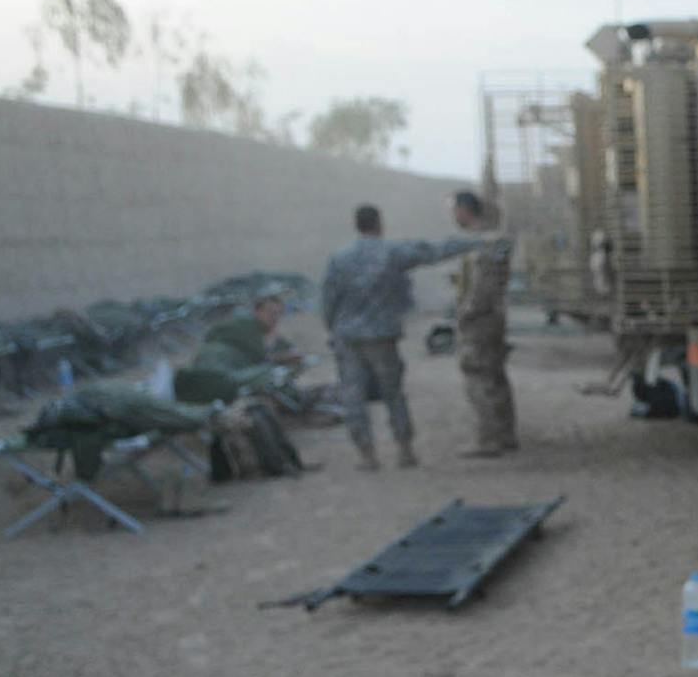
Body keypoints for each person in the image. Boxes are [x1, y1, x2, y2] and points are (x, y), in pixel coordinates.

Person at [320, 204, 484, 471]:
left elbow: (328, 299)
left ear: (356, 225)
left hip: (347, 335)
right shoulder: (392, 252)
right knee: (393, 393)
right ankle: (404, 450)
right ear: (379, 224)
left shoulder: (339, 258)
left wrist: (332, 328)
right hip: (382, 335)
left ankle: (367, 455)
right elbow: (432, 252)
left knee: (353, 394)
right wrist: (476, 242)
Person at [448, 190, 517, 457]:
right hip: (492, 317)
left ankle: (489, 439)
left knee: (477, 376)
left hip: (480, 320)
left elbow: (483, 288)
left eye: (455, 210)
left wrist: (467, 312)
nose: (453, 216)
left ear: (465, 210)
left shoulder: (483, 243)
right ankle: (505, 433)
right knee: (495, 376)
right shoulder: (492, 239)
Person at [172, 293, 299, 404]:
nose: (275, 317)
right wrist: (280, 356)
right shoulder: (245, 325)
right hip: (217, 363)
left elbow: (288, 352)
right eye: (271, 312)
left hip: (227, 368)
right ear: (257, 311)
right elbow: (261, 355)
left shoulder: (264, 333)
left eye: (279, 313)